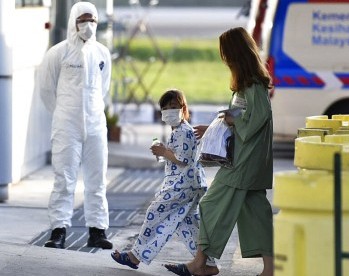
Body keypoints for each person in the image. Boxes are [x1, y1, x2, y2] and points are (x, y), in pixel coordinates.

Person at [165, 27, 274, 276]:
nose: (223, 58)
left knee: (211, 204)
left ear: (235, 54)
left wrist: (235, 122)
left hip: (242, 163)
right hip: (248, 161)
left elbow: (257, 118)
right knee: (257, 214)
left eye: (225, 53)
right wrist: (214, 127)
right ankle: (269, 270)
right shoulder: (247, 86)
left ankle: (201, 264)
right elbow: (238, 116)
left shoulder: (253, 87)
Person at [110, 89, 217, 271]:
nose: (169, 111)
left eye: (174, 107)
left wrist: (164, 152)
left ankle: (135, 256)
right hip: (191, 184)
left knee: (154, 212)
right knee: (187, 223)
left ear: (183, 109)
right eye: (165, 108)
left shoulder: (183, 130)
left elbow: (183, 159)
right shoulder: (179, 131)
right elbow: (179, 156)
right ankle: (208, 264)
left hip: (182, 184)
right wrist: (165, 152)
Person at [38, 2, 113, 250]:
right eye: (83, 20)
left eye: (92, 20)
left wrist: (92, 113)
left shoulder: (102, 53)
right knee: (64, 178)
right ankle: (58, 230)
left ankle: (97, 230)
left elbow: (103, 89)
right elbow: (47, 90)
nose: (88, 25)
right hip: (66, 124)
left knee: (97, 179)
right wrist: (63, 114)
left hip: (95, 124)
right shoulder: (57, 53)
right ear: (73, 21)